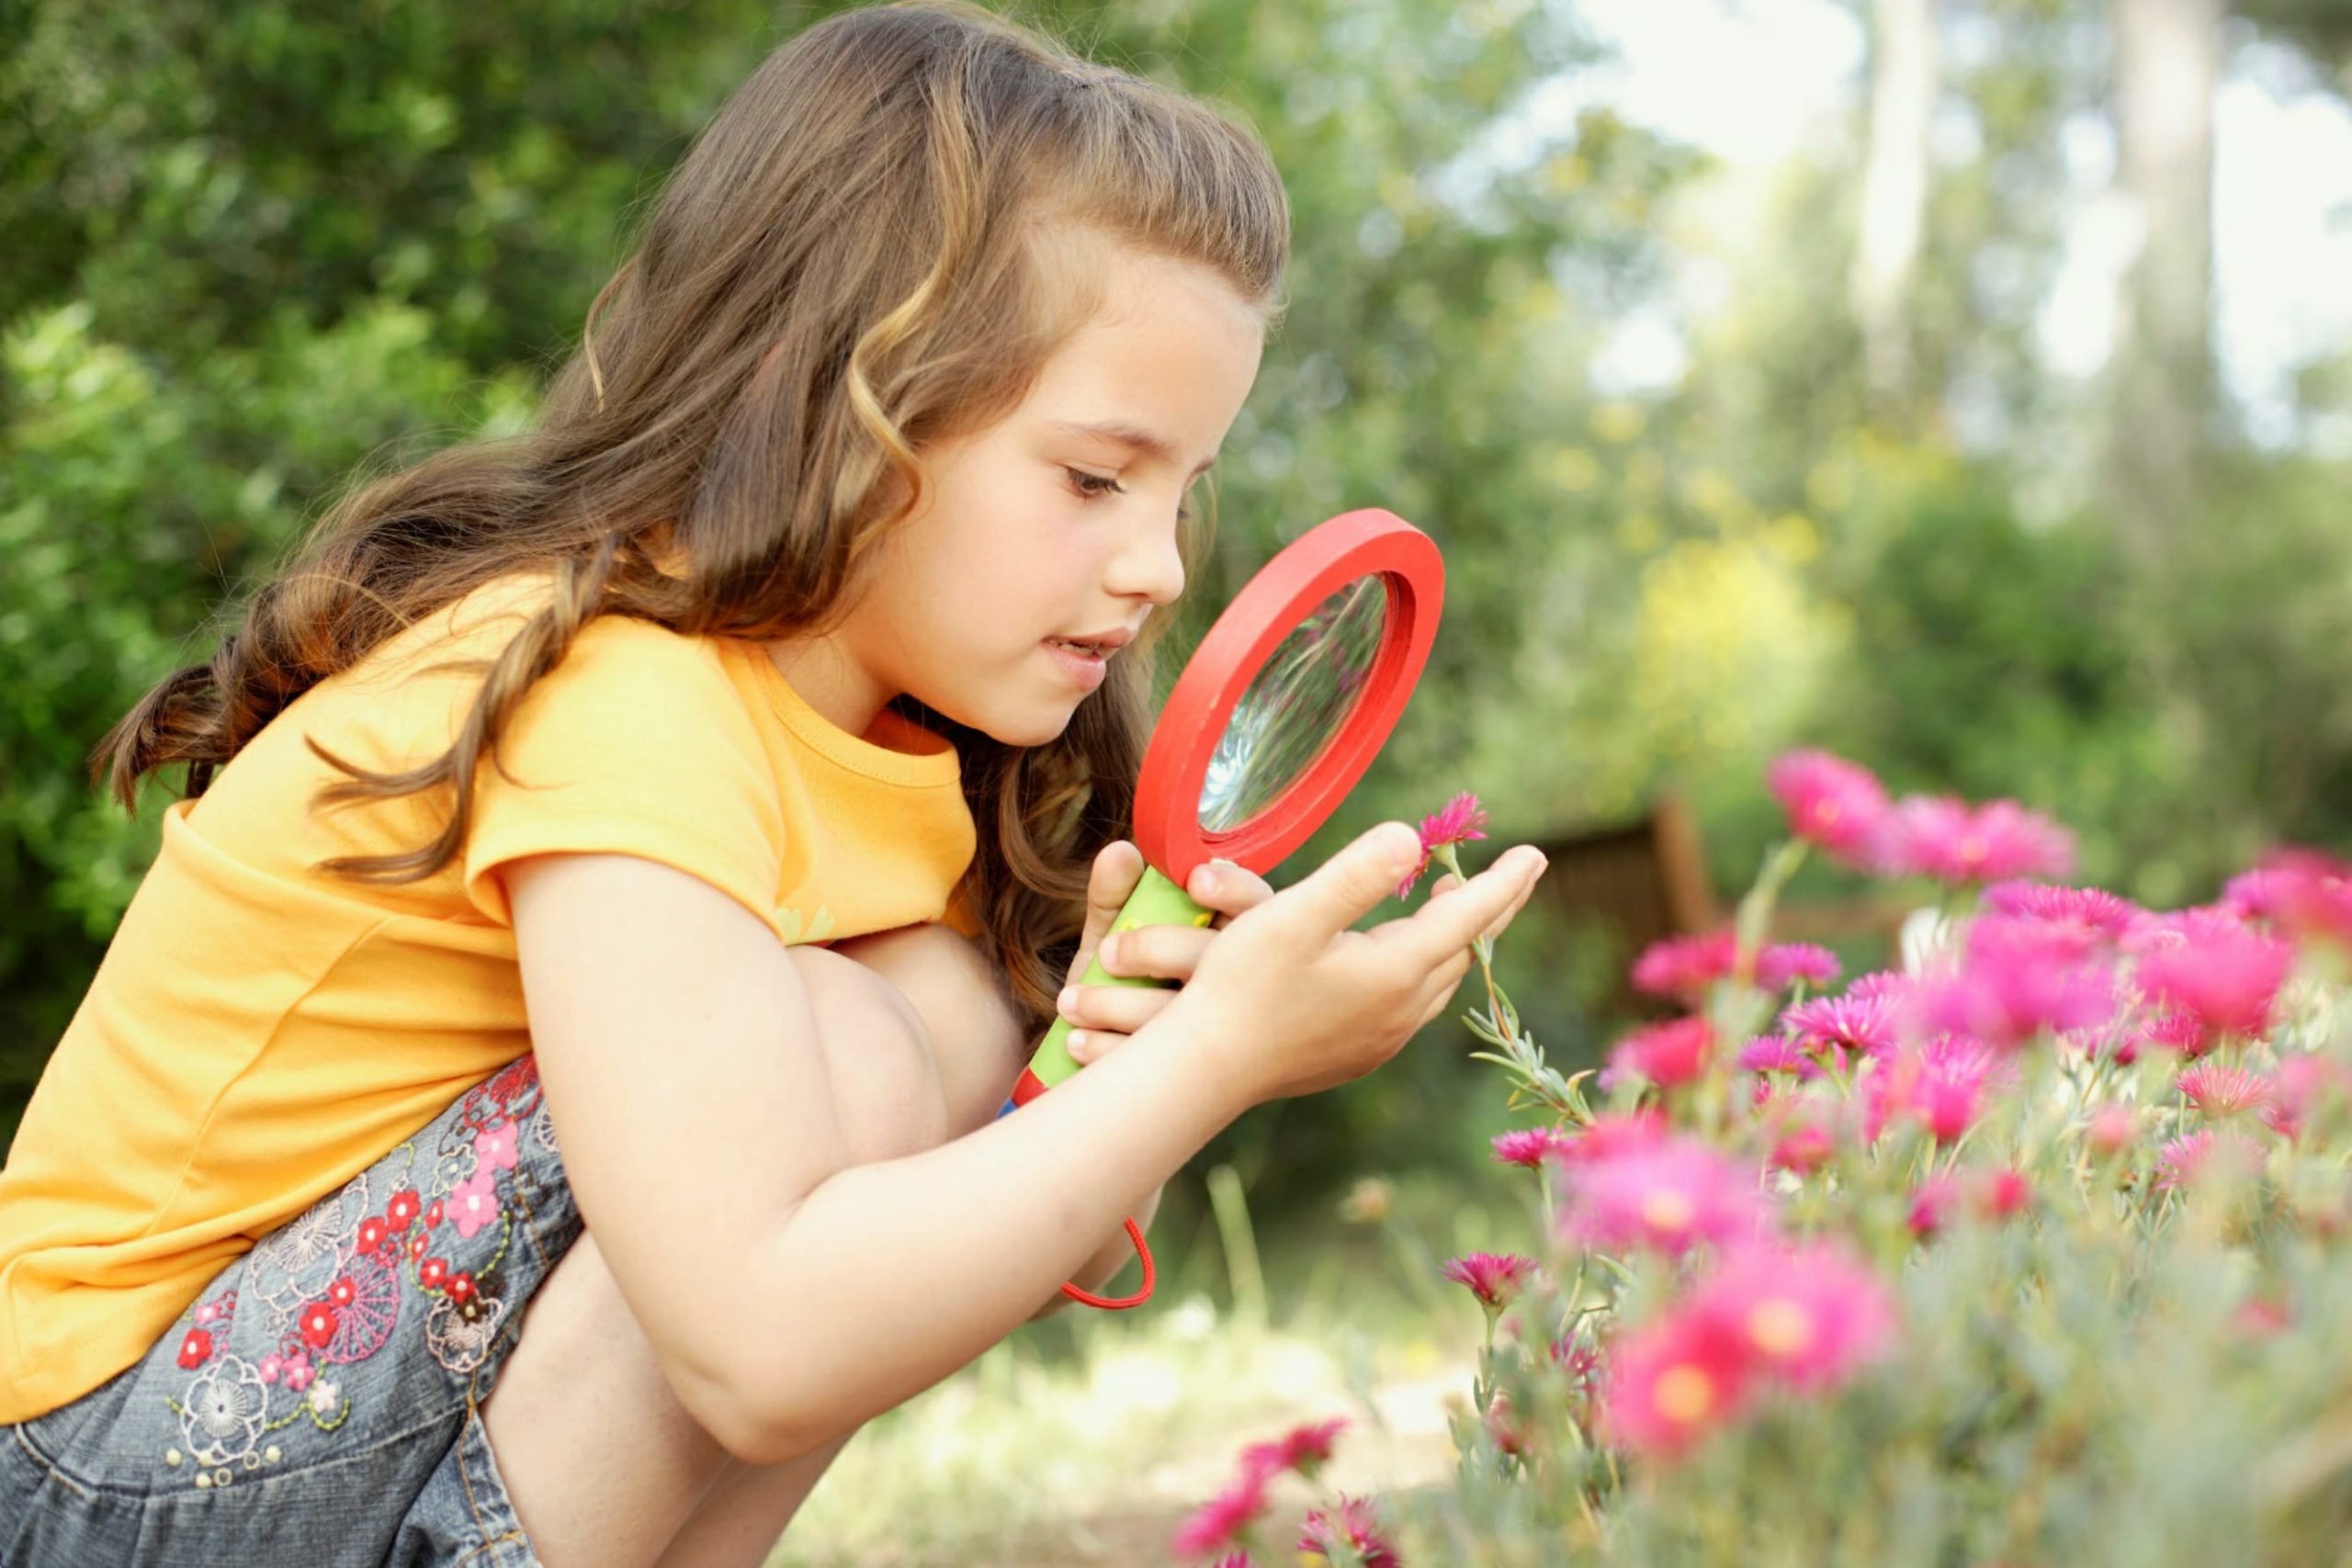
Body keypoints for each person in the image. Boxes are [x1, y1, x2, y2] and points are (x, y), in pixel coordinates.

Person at [0, 4, 1547, 1564]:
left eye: (1181, 494)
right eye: (1092, 478)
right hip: (77, 1478)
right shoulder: (617, 695)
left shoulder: (898, 756)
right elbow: (762, 1349)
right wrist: (1201, 1069)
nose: (1154, 570)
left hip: (226, 1457)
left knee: (937, 1019)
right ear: (843, 397)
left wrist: (1089, 1075)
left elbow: (867, 1285)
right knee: (863, 1045)